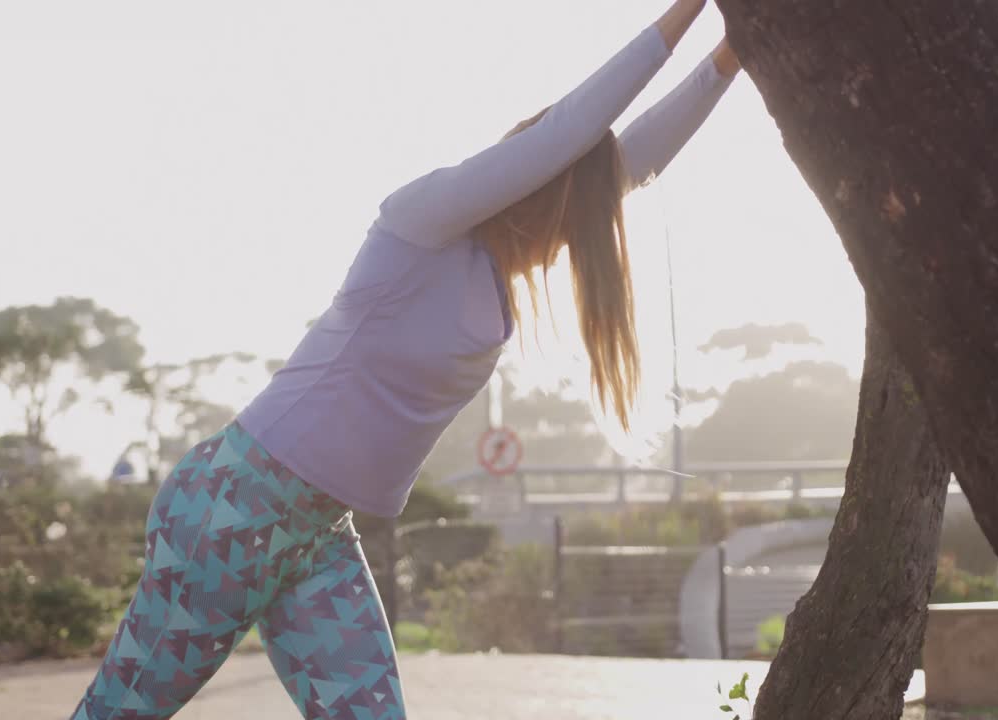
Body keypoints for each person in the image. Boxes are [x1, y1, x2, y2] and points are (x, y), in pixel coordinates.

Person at [70, 1, 740, 718]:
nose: (581, 231)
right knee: (120, 713)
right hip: (235, 507)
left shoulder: (495, 275)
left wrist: (739, 50)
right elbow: (571, 133)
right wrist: (690, 9)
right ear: (540, 188)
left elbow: (630, 164)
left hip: (318, 534)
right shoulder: (424, 222)